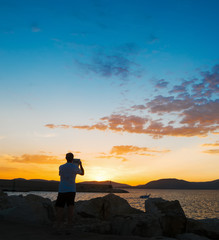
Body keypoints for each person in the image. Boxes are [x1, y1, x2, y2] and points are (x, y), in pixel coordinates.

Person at [54, 152, 84, 231]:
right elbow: (82, 173)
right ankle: (69, 227)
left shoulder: (61, 167)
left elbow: (61, 174)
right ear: (73, 159)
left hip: (62, 190)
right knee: (70, 208)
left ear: (66, 158)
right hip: (71, 190)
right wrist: (80, 164)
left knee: (60, 208)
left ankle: (58, 226)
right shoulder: (75, 167)